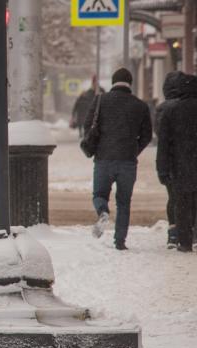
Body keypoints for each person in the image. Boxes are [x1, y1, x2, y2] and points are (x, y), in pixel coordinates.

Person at [84, 68, 152, 250]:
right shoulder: (140, 105)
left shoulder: (100, 101)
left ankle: (103, 211)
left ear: (113, 82)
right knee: (124, 201)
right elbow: (147, 135)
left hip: (104, 159)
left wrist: (98, 146)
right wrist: (133, 150)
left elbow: (88, 125)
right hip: (128, 161)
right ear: (130, 82)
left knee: (99, 194)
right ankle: (120, 241)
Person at [157, 72, 197, 252]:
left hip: (179, 166)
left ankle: (184, 241)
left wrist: (162, 169)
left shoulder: (171, 111)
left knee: (181, 202)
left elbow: (163, 143)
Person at [154, 71, 184, 248]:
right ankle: (189, 231)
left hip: (170, 160)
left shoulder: (162, 109)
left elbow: (160, 136)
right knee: (188, 197)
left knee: (173, 197)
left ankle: (173, 232)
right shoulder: (189, 106)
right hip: (188, 159)